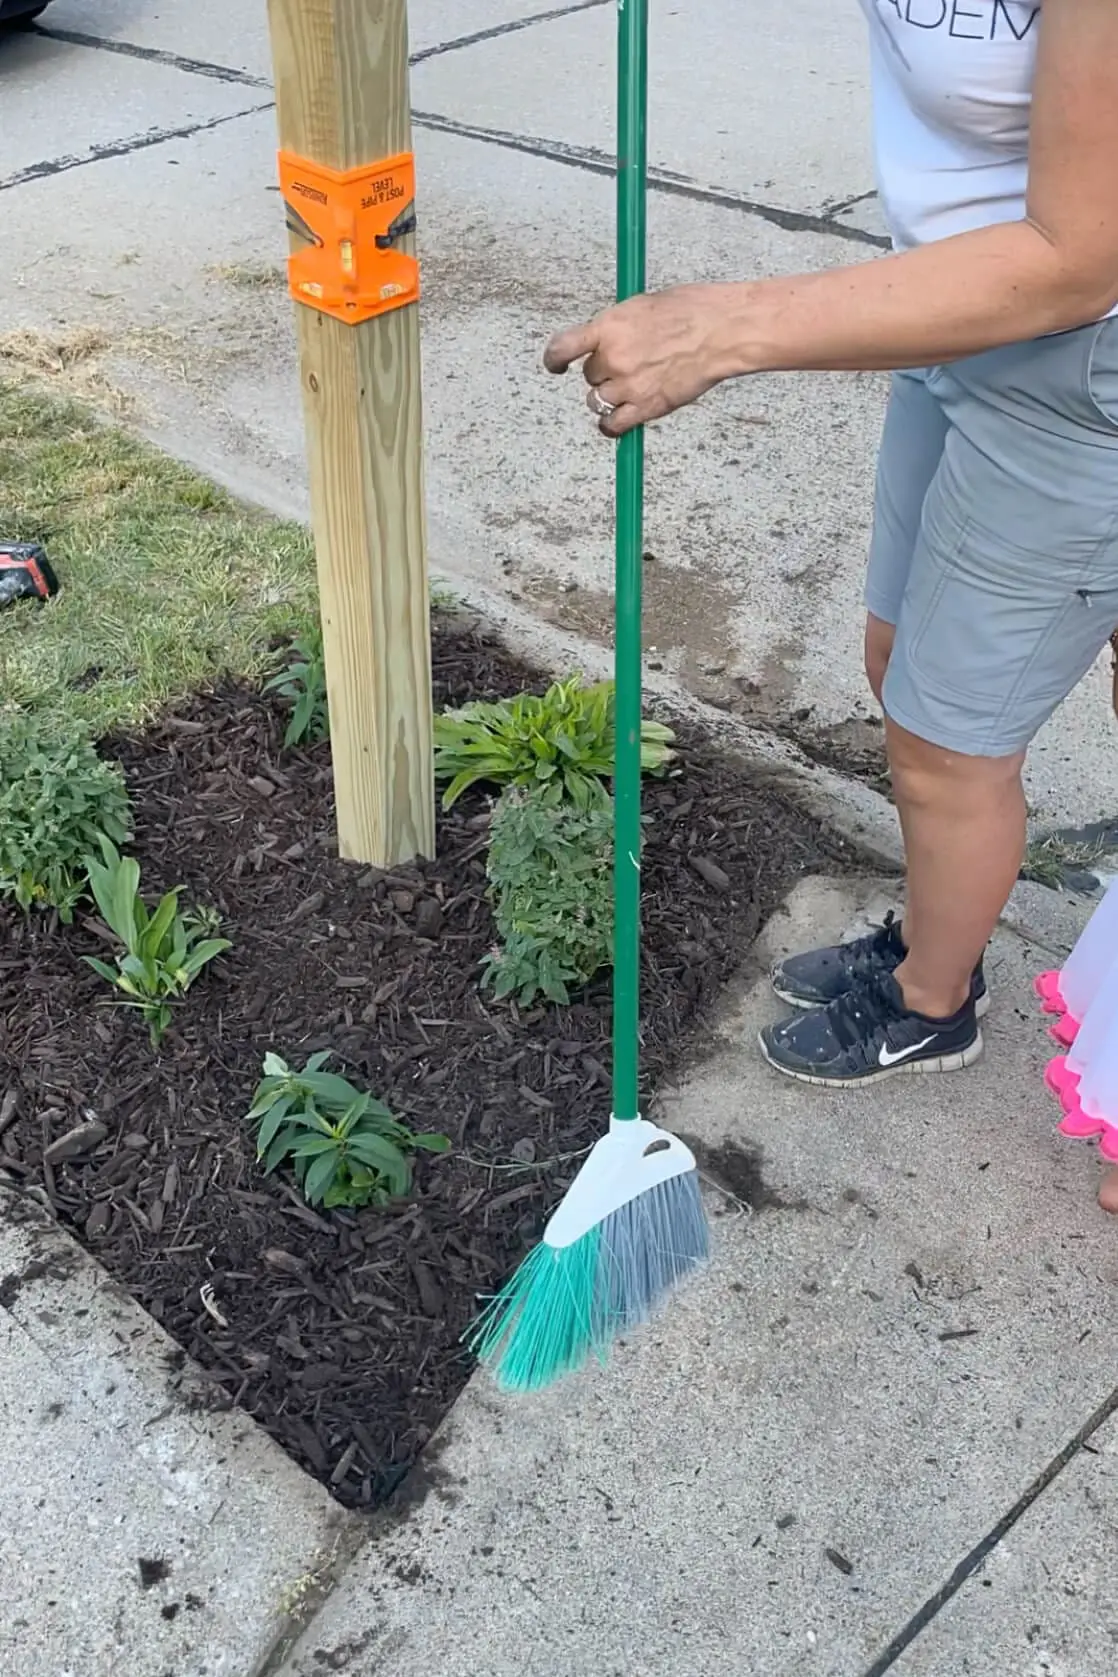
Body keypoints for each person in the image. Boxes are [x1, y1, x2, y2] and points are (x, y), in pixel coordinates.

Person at [543, 0, 1118, 1212]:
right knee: (896, 663)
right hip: (951, 309)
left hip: (1077, 355)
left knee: (946, 746)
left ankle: (931, 1001)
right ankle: (930, 930)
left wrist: (726, 327)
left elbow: (1081, 251)